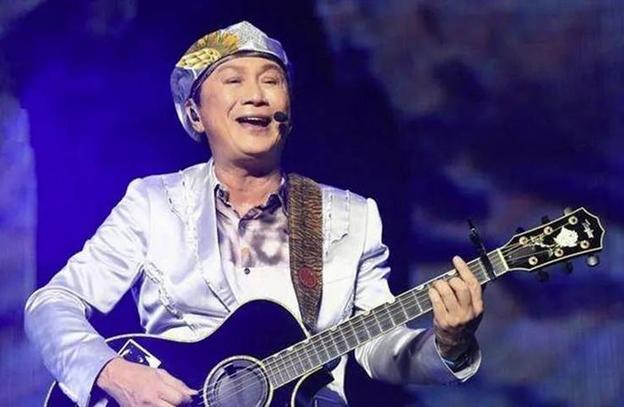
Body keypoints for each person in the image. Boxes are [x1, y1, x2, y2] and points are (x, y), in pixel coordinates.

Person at [25, 21, 484, 407]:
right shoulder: (152, 203)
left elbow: (378, 348)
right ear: (195, 114)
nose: (257, 96)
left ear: (288, 110)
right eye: (233, 81)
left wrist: (449, 343)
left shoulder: (350, 216)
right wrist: (112, 372)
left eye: (271, 80)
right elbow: (52, 304)